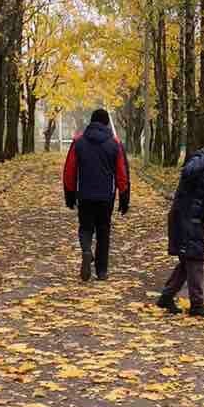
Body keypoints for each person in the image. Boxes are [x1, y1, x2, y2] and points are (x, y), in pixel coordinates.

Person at [157, 142, 204, 317]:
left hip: (195, 221)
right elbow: (188, 172)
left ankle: (166, 297)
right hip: (184, 220)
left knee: (187, 262)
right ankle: (197, 304)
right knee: (195, 260)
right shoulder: (198, 162)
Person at [63, 108, 131, 282]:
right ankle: (102, 271)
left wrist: (69, 194)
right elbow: (122, 173)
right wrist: (124, 197)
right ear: (107, 123)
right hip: (106, 196)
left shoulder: (78, 142)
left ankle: (86, 250)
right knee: (103, 231)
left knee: (85, 227)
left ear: (91, 122)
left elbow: (69, 171)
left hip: (84, 194)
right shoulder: (115, 144)